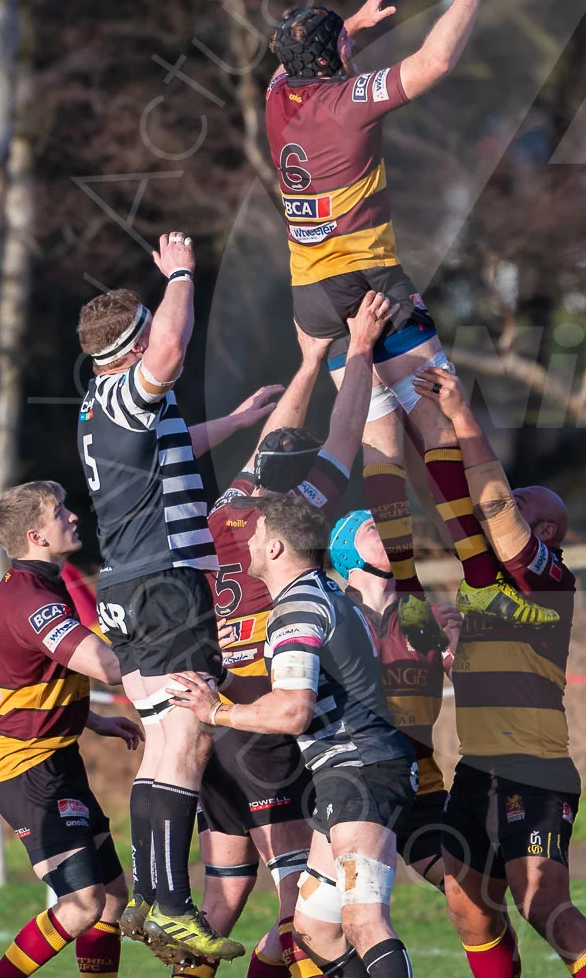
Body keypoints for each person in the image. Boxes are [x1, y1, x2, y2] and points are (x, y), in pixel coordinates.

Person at [265, 0, 553, 635]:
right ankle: (486, 580)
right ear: (333, 58)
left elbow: (294, 63)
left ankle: (408, 597)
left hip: (312, 295)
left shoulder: (278, 97)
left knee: (381, 449)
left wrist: (350, 27)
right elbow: (433, 62)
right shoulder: (344, 108)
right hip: (369, 283)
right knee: (440, 424)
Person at [76, 230, 278, 961]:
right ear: (131, 346)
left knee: (165, 739)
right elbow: (168, 346)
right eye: (148, 333)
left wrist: (240, 421)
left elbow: (172, 447)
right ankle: (171, 905)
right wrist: (182, 275)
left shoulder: (102, 406)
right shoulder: (131, 386)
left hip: (131, 587)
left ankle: (151, 898)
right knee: (189, 734)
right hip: (164, 582)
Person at [179, 294, 393, 978]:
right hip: (260, 727)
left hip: (213, 722)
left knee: (222, 900)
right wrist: (359, 350)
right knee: (298, 909)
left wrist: (308, 361)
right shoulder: (297, 514)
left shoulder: (225, 509)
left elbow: (271, 445)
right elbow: (345, 433)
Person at [412, 366, 586, 978]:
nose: (505, 498)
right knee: (468, 907)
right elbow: (452, 498)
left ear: (545, 529)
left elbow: (492, 504)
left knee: (542, 904)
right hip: (478, 768)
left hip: (534, 768)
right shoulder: (483, 577)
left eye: (523, 500)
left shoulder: (550, 577)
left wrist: (462, 414)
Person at [171, 493, 417, 978]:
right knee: (313, 930)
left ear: (276, 547)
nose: (248, 544)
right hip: (349, 771)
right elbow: (295, 697)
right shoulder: (320, 594)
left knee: (363, 921)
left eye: (256, 535)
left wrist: (217, 712)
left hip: (361, 768)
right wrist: (226, 687)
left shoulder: (297, 610)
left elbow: (292, 712)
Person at [0, 480, 143, 978]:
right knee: (81, 905)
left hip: (58, 758)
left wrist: (93, 720)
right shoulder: (33, 600)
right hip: (27, 771)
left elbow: (34, 681)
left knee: (112, 898)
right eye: (60, 512)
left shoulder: (42, 584)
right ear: (36, 536)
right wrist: (173, 653)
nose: (73, 517)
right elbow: (107, 667)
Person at [329, 509, 461, 891]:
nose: (390, 532)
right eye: (374, 528)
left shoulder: (427, 618)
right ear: (346, 550)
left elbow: (476, 694)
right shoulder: (331, 618)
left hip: (422, 784)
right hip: (352, 783)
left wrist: (459, 648)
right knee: (333, 914)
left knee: (470, 894)